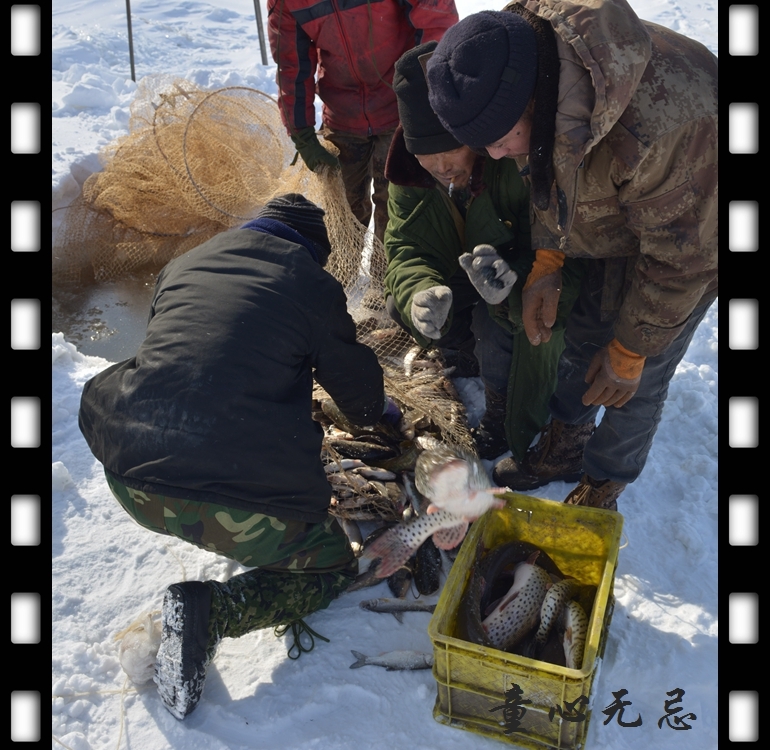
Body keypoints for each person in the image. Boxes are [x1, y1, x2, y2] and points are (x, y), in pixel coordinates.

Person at [78, 194, 400, 719]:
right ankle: (214, 612)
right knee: (333, 566)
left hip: (131, 478)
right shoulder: (310, 282)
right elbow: (361, 403)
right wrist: (383, 412)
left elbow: (189, 357)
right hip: (236, 499)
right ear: (311, 252)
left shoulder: (185, 263)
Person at [424, 1, 718, 510]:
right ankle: (565, 447)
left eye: (497, 141)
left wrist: (630, 350)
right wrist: (548, 261)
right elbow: (546, 165)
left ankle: (606, 481)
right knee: (585, 335)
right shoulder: (525, 60)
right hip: (626, 212)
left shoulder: (663, 127)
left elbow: (682, 261)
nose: (494, 157)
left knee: (636, 374)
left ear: (533, 102)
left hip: (698, 228)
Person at [384, 42, 585, 462]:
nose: (441, 168)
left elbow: (563, 251)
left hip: (511, 289)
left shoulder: (511, 159)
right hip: (460, 279)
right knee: (398, 305)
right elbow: (405, 247)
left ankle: (500, 412)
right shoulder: (407, 175)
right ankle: (461, 352)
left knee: (492, 324)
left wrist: (509, 278)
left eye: (450, 150)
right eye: (426, 155)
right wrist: (419, 289)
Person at [266, 0, 458, 243]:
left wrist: (426, 96)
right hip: (341, 115)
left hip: (400, 108)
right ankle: (342, 278)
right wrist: (302, 134)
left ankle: (386, 278)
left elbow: (436, 21)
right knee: (343, 213)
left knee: (399, 214)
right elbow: (291, 63)